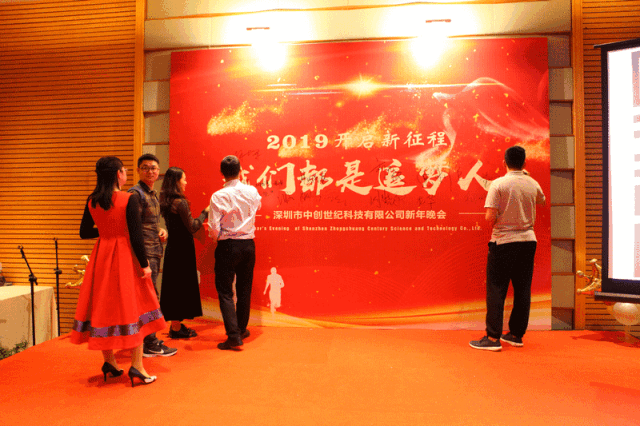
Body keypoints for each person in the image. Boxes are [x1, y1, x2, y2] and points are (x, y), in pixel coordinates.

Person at [71, 156, 166, 387]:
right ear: (118, 174)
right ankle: (137, 366)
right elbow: (135, 236)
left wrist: (107, 230)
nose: (125, 174)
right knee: (135, 307)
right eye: (124, 170)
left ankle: (110, 363)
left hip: (101, 256)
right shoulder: (127, 198)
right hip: (125, 257)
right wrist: (144, 264)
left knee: (103, 307)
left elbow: (84, 232)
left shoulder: (92, 200)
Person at [470, 145, 546, 351]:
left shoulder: (498, 184)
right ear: (524, 163)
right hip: (528, 242)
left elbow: (489, 216)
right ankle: (515, 335)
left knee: (496, 289)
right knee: (523, 289)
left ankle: (492, 337)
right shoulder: (532, 183)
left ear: (504, 162)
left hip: (503, 242)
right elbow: (542, 200)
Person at [209, 155, 262, 350]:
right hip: (248, 244)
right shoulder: (252, 191)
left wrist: (216, 238)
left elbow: (214, 226)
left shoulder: (218, 195)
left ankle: (233, 336)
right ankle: (241, 330)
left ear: (221, 173)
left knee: (225, 292)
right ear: (240, 171)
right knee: (244, 289)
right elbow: (258, 207)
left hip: (228, 245)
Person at [128, 154, 177, 357]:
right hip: (145, 253)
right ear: (138, 170)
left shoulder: (152, 193)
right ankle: (149, 342)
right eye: (146, 168)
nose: (150, 171)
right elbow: (133, 227)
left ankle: (147, 341)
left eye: (154, 168)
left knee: (149, 296)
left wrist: (160, 230)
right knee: (149, 298)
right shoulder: (135, 194)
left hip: (154, 249)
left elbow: (148, 224)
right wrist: (142, 258)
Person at [159, 167, 209, 339]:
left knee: (174, 287)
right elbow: (193, 226)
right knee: (181, 287)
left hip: (173, 247)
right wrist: (204, 213)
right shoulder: (180, 202)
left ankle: (176, 325)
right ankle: (175, 328)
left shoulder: (166, 201)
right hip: (183, 249)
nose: (186, 182)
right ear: (176, 181)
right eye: (184, 179)